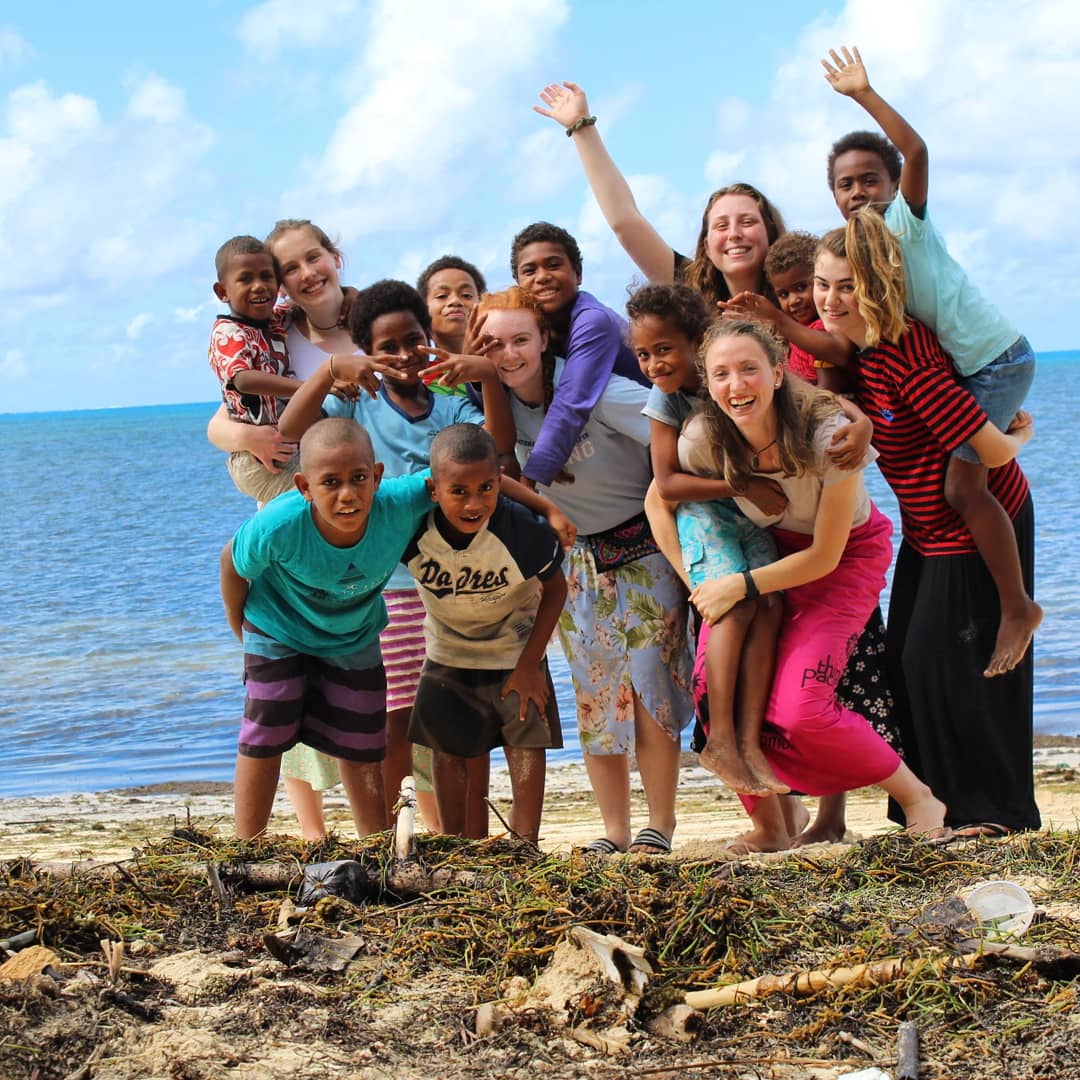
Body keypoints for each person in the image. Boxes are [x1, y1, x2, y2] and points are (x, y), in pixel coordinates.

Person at [659, 318, 950, 852]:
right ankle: (774, 822)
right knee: (712, 684)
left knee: (801, 707)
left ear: (775, 373)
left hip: (842, 558)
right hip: (769, 554)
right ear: (707, 381)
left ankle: (919, 798)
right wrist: (699, 582)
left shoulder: (829, 436)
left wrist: (740, 586)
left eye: (749, 369)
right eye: (721, 373)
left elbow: (825, 555)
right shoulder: (704, 436)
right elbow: (661, 499)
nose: (735, 385)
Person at [815, 214, 1040, 838]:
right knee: (912, 666)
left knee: (960, 666)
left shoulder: (905, 352)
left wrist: (1019, 438)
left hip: (973, 530)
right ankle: (936, 812)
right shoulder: (859, 352)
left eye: (846, 286)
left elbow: (982, 447)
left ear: (878, 286)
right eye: (821, 285)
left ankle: (997, 816)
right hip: (926, 530)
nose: (830, 300)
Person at [822, 45, 1041, 678]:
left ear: (892, 187)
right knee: (962, 478)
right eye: (845, 183)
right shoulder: (862, 255)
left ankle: (1019, 606)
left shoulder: (904, 226)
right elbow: (842, 329)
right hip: (971, 369)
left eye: (870, 179)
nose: (858, 191)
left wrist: (863, 92)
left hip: (997, 361)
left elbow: (916, 151)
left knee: (963, 486)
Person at [277, 279, 517, 839]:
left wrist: (485, 376)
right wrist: (334, 370)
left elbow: (499, 453)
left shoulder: (453, 401)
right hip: (392, 586)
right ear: (367, 352)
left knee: (454, 716)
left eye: (413, 339)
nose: (405, 355)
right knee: (393, 720)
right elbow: (291, 430)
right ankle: (387, 839)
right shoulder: (357, 402)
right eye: (387, 347)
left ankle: (459, 835)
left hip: (453, 586)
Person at [479, 285, 694, 856]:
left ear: (545, 338)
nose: (510, 355)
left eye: (521, 339)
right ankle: (615, 831)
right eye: (495, 344)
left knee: (652, 685)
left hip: (644, 546)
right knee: (597, 695)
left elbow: (668, 414)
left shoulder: (589, 388)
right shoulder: (493, 408)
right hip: (575, 560)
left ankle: (661, 825)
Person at [716, 231, 901, 843]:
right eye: (792, 290)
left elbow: (836, 405)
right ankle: (788, 811)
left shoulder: (820, 343)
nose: (803, 300)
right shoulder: (764, 346)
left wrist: (862, 423)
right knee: (788, 676)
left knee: (837, 678)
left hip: (838, 528)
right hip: (781, 532)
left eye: (811, 288)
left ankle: (832, 815)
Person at [629, 283, 785, 798]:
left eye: (663, 350)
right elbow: (668, 484)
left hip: (743, 512)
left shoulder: (725, 373)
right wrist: (740, 484)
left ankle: (749, 739)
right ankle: (718, 737)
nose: (653, 364)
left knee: (771, 603)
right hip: (701, 512)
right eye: (643, 354)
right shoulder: (665, 400)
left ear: (697, 341)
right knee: (734, 606)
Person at [403, 425, 568, 845]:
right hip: (447, 651)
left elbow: (556, 589)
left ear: (499, 481)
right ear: (433, 490)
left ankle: (525, 843)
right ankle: (456, 844)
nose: (474, 503)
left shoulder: (524, 533)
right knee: (448, 749)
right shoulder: (410, 528)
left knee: (525, 741)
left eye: (486, 488)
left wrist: (530, 664)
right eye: (459, 491)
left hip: (515, 649)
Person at [533, 81, 785, 308]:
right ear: (707, 245)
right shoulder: (692, 293)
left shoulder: (803, 293)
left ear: (770, 232)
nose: (734, 234)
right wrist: (581, 126)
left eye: (748, 221)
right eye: (721, 225)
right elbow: (625, 222)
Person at [509, 221, 649, 490]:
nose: (542, 276)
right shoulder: (534, 331)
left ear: (578, 273)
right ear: (518, 284)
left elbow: (572, 399)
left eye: (553, 265)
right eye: (529, 270)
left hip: (655, 434)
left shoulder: (593, 321)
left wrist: (531, 480)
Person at [208, 236, 302, 504]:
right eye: (245, 279)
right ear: (222, 291)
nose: (259, 286)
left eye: (266, 277)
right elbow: (244, 379)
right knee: (311, 496)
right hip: (252, 456)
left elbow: (301, 306)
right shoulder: (228, 332)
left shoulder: (274, 321)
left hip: (283, 447)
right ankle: (240, 548)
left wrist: (350, 295)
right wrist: (310, 386)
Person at [417, 255, 488, 354]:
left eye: (466, 295)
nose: (455, 301)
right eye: (441, 296)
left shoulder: (506, 364)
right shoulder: (418, 369)